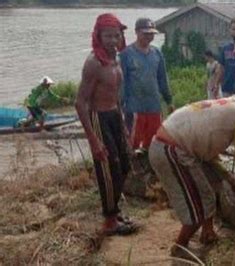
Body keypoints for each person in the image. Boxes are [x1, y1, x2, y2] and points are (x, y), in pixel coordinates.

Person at [148, 68, 235, 256]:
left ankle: (208, 232)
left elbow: (208, 154)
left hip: (168, 144)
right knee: (197, 205)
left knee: (209, 189)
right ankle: (180, 248)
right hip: (172, 149)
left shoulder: (230, 104)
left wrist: (228, 177)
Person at [75, 13, 137, 236]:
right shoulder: (94, 63)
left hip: (113, 116)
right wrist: (93, 139)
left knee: (124, 166)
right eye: (107, 36)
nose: (112, 40)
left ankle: (115, 211)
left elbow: (115, 97)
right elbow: (80, 102)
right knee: (108, 170)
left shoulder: (115, 60)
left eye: (116, 35)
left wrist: (123, 126)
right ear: (98, 37)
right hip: (98, 118)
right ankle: (109, 221)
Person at [120, 18, 174, 150]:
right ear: (137, 32)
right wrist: (120, 106)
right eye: (145, 33)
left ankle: (150, 166)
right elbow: (122, 83)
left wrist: (169, 100)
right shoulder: (126, 54)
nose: (149, 37)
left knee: (154, 142)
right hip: (134, 107)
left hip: (154, 105)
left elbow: (162, 78)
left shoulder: (157, 53)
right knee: (132, 142)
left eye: (151, 34)